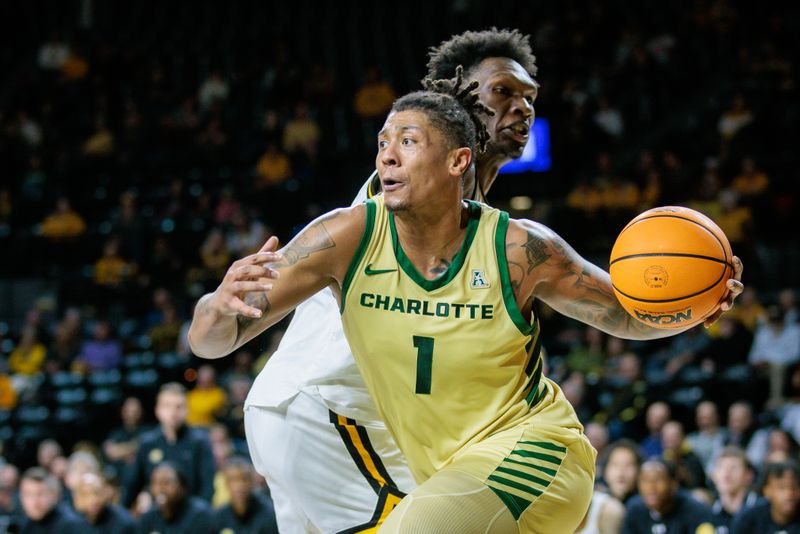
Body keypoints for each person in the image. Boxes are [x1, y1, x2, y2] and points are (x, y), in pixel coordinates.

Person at [189, 66, 743, 531]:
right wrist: (216, 305)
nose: (387, 156)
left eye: (408, 143)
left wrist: (691, 308)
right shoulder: (346, 236)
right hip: (447, 471)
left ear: (458, 162)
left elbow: (625, 314)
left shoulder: (519, 248)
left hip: (536, 454)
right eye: (383, 142)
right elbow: (214, 343)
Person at [240, 28, 548, 534]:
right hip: (329, 414)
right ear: (459, 93)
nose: (522, 107)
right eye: (503, 92)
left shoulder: (469, 210)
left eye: (529, 97)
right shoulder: (424, 188)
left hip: (321, 416)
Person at [122, 382, 214, 508]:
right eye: (167, 406)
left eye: (179, 406)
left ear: (187, 410)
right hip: (157, 513)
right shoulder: (147, 443)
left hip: (192, 514)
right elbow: (132, 487)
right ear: (157, 410)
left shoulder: (200, 442)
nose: (173, 412)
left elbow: (207, 489)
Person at [621, 459, 715, 534]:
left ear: (673, 484)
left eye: (658, 480)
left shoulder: (696, 510)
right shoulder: (634, 509)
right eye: (645, 480)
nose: (650, 487)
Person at [137, 461, 214, 534]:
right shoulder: (148, 518)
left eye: (166, 483)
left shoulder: (200, 516)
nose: (160, 489)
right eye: (155, 483)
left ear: (182, 487)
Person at [212, 457, 279, 534]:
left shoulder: (269, 514)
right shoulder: (219, 517)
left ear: (253, 482)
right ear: (226, 483)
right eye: (234, 480)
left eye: (244, 479)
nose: (240, 486)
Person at [731, 461, 800, 533]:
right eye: (781, 488)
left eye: (795, 487)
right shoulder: (748, 518)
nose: (789, 494)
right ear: (766, 490)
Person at [18, 467, 86, 533]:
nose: (35, 502)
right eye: (29, 495)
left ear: (54, 495)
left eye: (40, 494)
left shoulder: (72, 525)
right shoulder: (25, 525)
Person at [709, 446, 757, 531]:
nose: (726, 473)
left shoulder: (760, 511)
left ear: (748, 475)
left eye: (734, 467)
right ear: (713, 476)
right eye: (721, 467)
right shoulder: (709, 512)